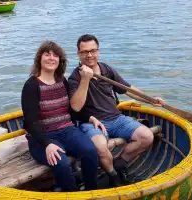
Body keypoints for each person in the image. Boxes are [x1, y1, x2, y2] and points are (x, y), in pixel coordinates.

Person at [68, 34, 165, 186]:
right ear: (79, 54)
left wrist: (150, 100)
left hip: (116, 118)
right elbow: (76, 106)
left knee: (147, 137)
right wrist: (85, 79)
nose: (89, 55)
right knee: (100, 147)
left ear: (98, 51)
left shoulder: (106, 69)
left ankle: (119, 164)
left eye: (93, 50)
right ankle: (114, 176)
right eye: (85, 52)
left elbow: (127, 89)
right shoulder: (75, 78)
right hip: (93, 123)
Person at [21, 41, 100, 191]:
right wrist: (47, 144)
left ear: (60, 60)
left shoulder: (62, 81)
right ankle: (73, 194)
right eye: (47, 54)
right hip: (42, 137)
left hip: (66, 130)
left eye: (55, 55)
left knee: (90, 151)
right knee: (62, 163)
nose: (51, 58)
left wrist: (90, 117)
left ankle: (91, 191)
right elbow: (30, 122)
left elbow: (71, 110)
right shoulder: (31, 85)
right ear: (39, 59)